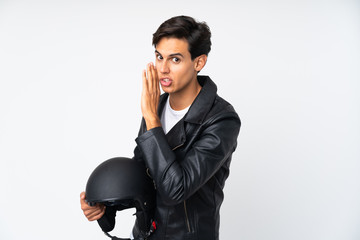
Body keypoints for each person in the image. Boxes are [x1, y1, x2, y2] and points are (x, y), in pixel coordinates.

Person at [80, 15, 241, 240]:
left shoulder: (221, 120)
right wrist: (104, 207)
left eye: (175, 60)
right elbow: (143, 179)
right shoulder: (156, 106)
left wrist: (151, 120)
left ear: (199, 62)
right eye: (159, 57)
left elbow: (177, 189)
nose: (163, 69)